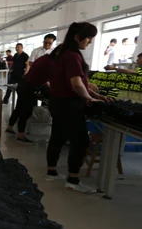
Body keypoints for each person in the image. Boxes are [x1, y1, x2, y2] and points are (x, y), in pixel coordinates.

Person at [46, 22, 109, 193]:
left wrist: (96, 95)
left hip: (57, 102)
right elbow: (76, 84)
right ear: (77, 37)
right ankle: (73, 180)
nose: (90, 42)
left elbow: (79, 83)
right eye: (88, 38)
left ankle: (51, 172)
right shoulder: (73, 56)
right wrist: (88, 98)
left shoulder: (62, 54)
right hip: (69, 105)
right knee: (81, 141)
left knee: (58, 136)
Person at [6, 51, 53, 144]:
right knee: (26, 111)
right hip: (29, 88)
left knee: (19, 108)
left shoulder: (43, 58)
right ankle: (21, 135)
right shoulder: (51, 63)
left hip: (23, 84)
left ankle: (10, 127)